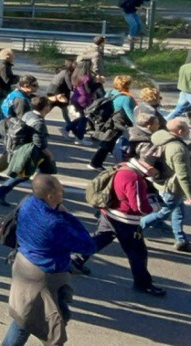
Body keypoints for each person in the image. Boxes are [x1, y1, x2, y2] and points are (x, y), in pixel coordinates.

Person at [2, 174, 97, 346]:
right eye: (60, 188)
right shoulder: (56, 223)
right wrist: (68, 215)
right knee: (29, 320)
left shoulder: (28, 202)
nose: (63, 190)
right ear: (50, 196)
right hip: (44, 276)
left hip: (23, 262)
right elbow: (88, 245)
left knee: (27, 315)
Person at [70, 153, 167, 297]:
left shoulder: (124, 167)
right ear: (151, 167)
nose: (156, 175)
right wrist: (154, 206)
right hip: (125, 219)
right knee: (138, 253)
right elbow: (139, 207)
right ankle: (143, 284)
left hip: (109, 212)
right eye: (157, 172)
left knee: (101, 238)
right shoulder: (135, 179)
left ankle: (76, 260)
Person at [0, 96, 56, 206]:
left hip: (24, 148)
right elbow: (39, 143)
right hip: (33, 152)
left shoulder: (29, 114)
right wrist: (49, 154)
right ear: (45, 107)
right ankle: (39, 198)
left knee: (33, 174)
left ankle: (2, 192)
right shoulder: (39, 122)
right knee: (34, 174)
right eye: (48, 105)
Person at [139, 118, 191, 252]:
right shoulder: (178, 149)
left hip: (161, 181)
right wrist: (189, 194)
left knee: (178, 211)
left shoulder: (160, 136)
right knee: (165, 212)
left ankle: (181, 240)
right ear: (179, 131)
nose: (188, 132)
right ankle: (137, 227)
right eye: (187, 130)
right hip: (172, 186)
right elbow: (182, 175)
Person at [88, 75, 135, 170]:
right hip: (118, 123)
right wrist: (136, 124)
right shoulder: (126, 98)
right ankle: (95, 163)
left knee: (109, 142)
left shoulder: (110, 93)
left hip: (107, 121)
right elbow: (130, 114)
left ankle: (97, 163)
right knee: (108, 143)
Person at [164, 52, 191, 122]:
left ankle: (166, 120)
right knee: (180, 108)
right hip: (190, 92)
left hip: (183, 91)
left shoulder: (183, 67)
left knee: (178, 109)